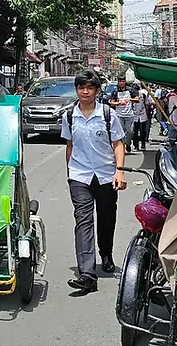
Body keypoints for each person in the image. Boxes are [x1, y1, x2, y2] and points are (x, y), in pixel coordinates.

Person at [61, 71, 127, 294]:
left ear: (97, 91)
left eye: (90, 87)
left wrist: (119, 172)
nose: (85, 91)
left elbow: (118, 144)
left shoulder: (107, 114)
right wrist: (70, 172)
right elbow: (69, 146)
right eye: (81, 87)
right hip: (80, 175)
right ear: (77, 90)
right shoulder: (69, 115)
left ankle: (106, 254)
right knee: (83, 220)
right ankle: (87, 274)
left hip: (107, 175)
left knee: (107, 218)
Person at [108, 77, 138, 154]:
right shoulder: (115, 91)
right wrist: (118, 103)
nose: (121, 83)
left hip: (129, 114)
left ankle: (127, 143)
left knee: (130, 131)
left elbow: (137, 99)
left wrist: (130, 99)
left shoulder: (130, 90)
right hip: (119, 114)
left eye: (123, 81)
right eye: (120, 81)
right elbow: (111, 102)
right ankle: (122, 146)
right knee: (121, 132)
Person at [133, 84, 153, 151]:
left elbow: (146, 104)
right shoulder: (131, 96)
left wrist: (147, 114)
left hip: (142, 115)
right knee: (135, 131)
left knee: (142, 131)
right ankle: (136, 146)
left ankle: (143, 144)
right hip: (134, 115)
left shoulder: (143, 95)